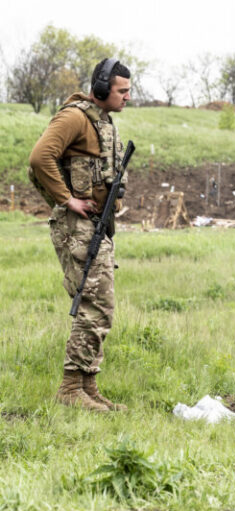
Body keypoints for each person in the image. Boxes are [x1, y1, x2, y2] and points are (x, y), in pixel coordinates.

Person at [29, 58, 131, 412]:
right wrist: (67, 199)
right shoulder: (74, 117)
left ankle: (87, 385)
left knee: (99, 305)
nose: (127, 97)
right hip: (78, 227)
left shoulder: (102, 121)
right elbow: (40, 158)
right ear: (101, 88)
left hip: (96, 225)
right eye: (122, 90)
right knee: (95, 304)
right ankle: (70, 388)